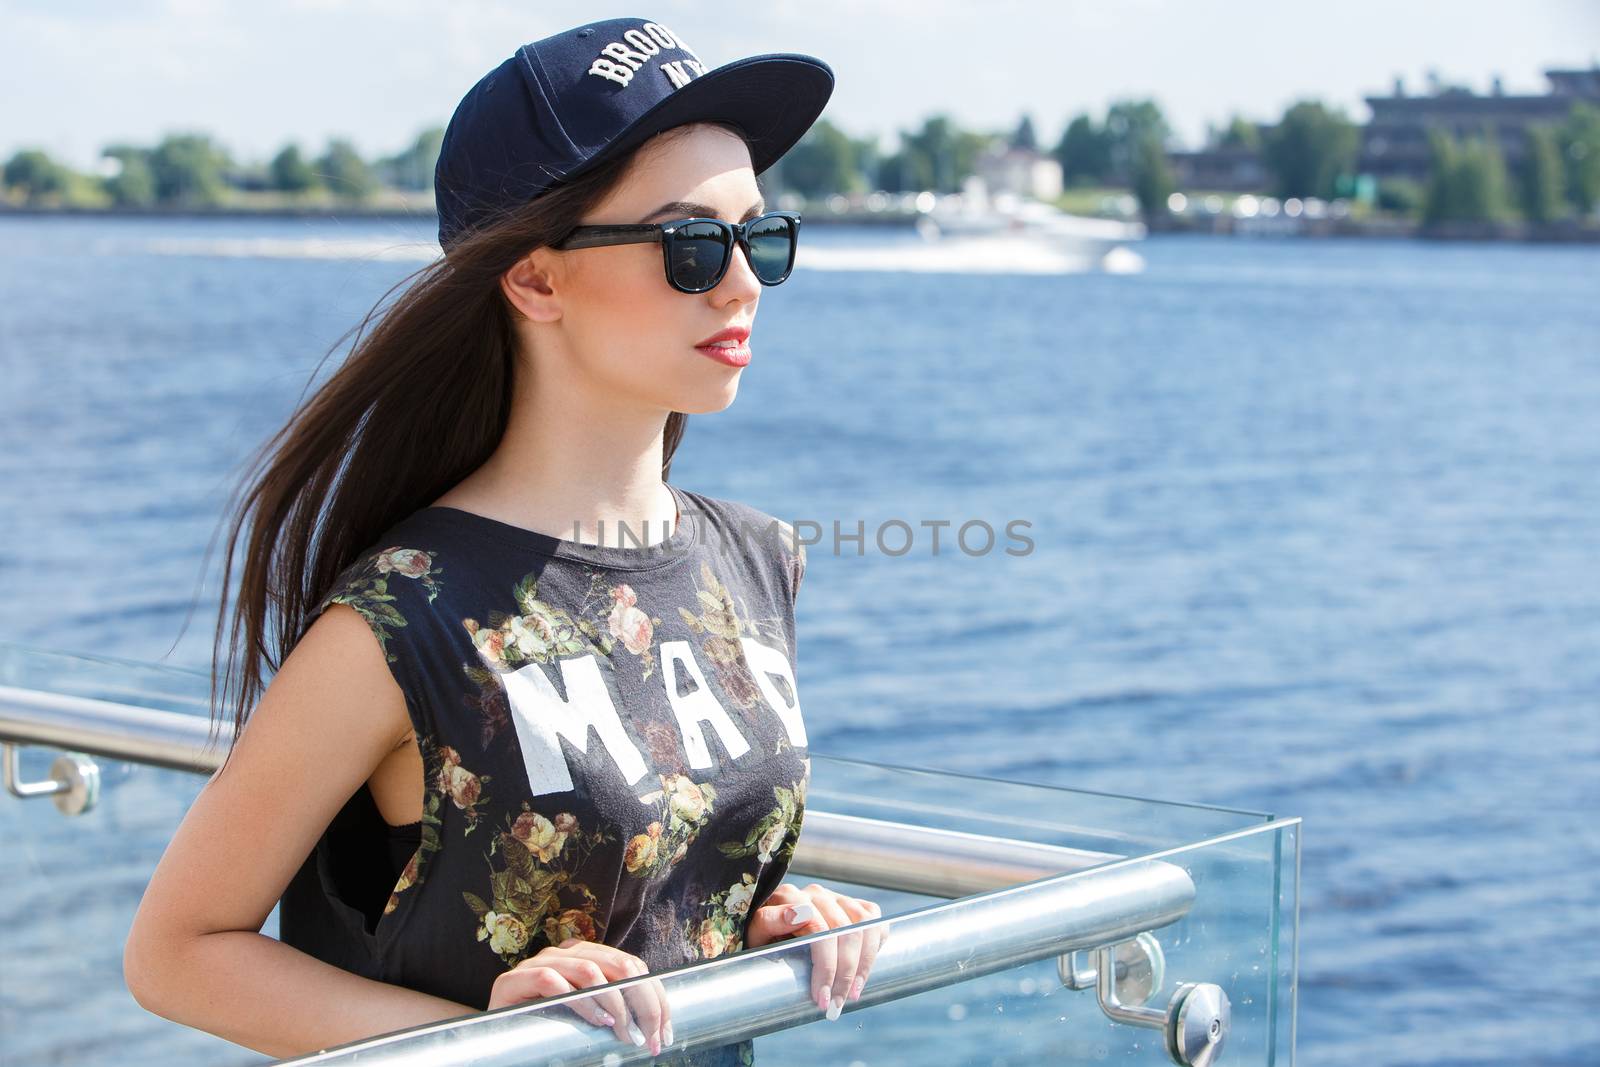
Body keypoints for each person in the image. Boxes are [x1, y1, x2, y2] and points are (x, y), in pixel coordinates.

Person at [123, 17, 887, 1064]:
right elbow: (177, 950)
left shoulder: (755, 559)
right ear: (534, 280)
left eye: (761, 235)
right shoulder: (406, 616)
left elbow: (662, 897)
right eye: (689, 243)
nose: (742, 280)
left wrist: (767, 930)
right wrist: (491, 1039)